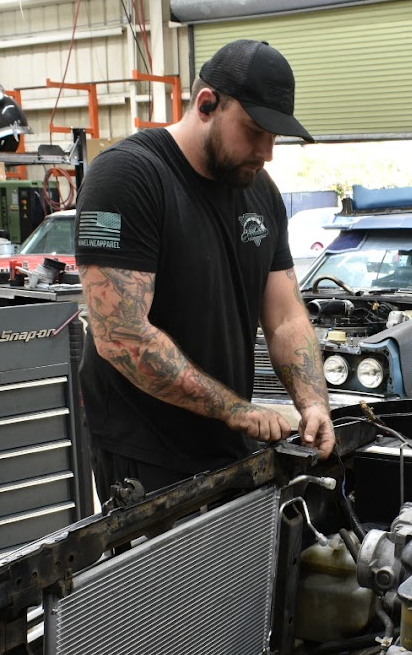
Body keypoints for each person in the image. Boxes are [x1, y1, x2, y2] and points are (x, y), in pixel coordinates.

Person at [74, 38, 335, 500]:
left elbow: (285, 317)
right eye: (255, 131)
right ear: (207, 104)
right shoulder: (128, 176)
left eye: (275, 136)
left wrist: (313, 403)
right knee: (168, 576)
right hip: (148, 451)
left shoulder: (261, 192)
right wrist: (233, 407)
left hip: (227, 438)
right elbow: (120, 336)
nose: (268, 151)